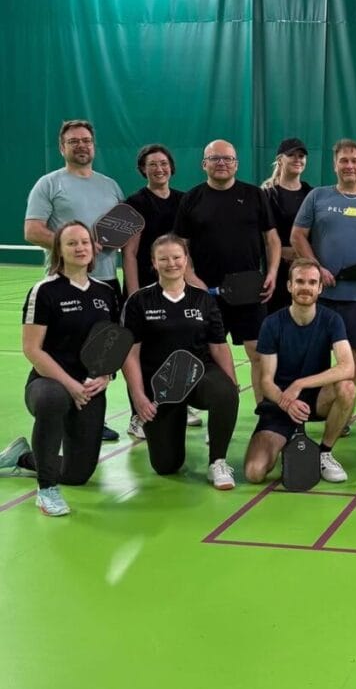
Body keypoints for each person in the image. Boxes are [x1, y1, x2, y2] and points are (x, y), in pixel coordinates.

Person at [0, 222, 117, 516]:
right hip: (48, 382)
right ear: (59, 251)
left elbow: (112, 343)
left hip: (89, 388)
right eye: (71, 243)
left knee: (78, 474)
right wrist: (70, 384)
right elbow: (32, 349)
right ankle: (47, 489)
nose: (80, 248)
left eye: (85, 242)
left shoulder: (105, 292)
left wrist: (106, 375)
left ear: (93, 249)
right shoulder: (45, 291)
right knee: (52, 400)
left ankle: (23, 457)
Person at [24, 119, 125, 442]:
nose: (81, 145)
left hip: (105, 282)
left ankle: (93, 417)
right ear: (62, 147)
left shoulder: (110, 186)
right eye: (74, 141)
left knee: (101, 354)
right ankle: (56, 411)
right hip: (64, 284)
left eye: (86, 140)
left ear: (93, 146)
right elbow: (32, 230)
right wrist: (77, 245)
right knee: (63, 351)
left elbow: (121, 231)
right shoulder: (49, 184)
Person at [121, 234, 240, 490]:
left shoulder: (203, 300)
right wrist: (138, 396)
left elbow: (219, 346)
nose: (171, 263)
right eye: (163, 259)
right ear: (154, 263)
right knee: (166, 465)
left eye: (177, 257)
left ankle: (217, 461)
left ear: (186, 260)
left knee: (225, 392)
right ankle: (174, 422)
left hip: (199, 374)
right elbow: (131, 353)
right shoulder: (139, 301)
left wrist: (231, 382)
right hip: (160, 384)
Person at [290, 138, 356, 430]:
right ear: (335, 165)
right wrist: (316, 268)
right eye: (343, 160)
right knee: (312, 353)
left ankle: (341, 411)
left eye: (354, 161)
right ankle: (307, 408)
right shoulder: (318, 197)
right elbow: (297, 235)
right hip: (319, 295)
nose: (349, 166)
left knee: (352, 355)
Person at [174, 139, 281, 404]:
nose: (221, 163)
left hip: (249, 291)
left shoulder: (255, 195)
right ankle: (218, 410)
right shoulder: (192, 198)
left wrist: (272, 272)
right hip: (206, 294)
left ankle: (264, 412)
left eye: (228, 159)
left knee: (258, 353)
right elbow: (181, 246)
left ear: (236, 164)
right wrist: (191, 278)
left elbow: (272, 240)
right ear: (204, 164)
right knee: (210, 355)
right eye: (215, 158)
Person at [244, 258, 356, 484]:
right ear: (289, 286)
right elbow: (266, 381)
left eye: (312, 282)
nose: (306, 287)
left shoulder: (332, 320)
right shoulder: (272, 323)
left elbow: (347, 366)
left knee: (347, 388)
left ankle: (324, 453)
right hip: (281, 401)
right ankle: (286, 440)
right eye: (300, 281)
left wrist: (300, 384)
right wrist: (286, 403)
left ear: (320, 288)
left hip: (316, 398)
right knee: (254, 473)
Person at [122, 143, 199, 439]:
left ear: (171, 167)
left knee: (178, 345)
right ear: (143, 169)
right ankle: (137, 415)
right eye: (152, 164)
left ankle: (180, 404)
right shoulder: (135, 203)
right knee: (141, 352)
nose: (159, 169)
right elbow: (129, 253)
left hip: (177, 287)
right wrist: (134, 294)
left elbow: (187, 248)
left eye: (163, 163)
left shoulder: (183, 200)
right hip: (146, 287)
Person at [261, 137, 312, 314]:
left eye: (301, 156)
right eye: (292, 155)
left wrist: (302, 254)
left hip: (304, 273)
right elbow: (260, 236)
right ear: (280, 160)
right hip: (274, 275)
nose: (297, 159)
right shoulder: (266, 195)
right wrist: (281, 252)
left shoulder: (311, 195)